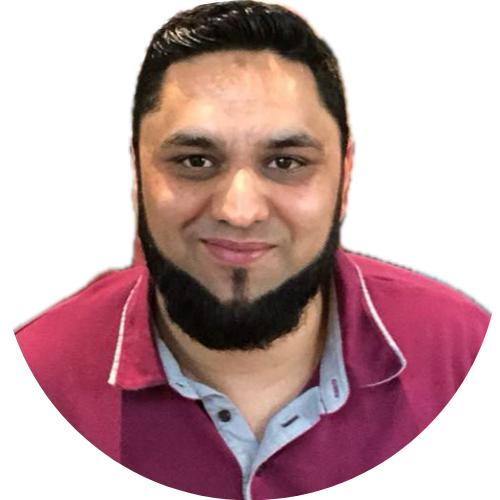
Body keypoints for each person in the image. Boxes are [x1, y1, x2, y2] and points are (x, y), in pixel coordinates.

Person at [15, 1, 490, 499]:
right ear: (138, 171)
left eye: (286, 162)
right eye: (195, 161)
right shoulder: (33, 378)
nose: (239, 211)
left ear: (345, 175)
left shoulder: (467, 356)